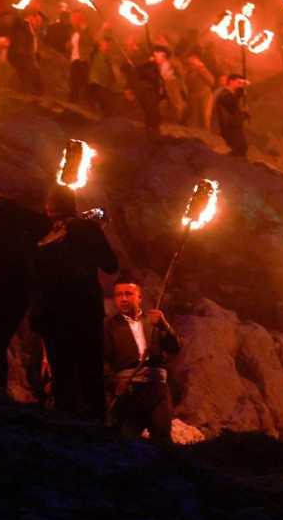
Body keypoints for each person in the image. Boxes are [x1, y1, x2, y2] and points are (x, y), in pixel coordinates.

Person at [29, 186, 118, 423]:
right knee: (91, 373)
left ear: (50, 208)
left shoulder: (41, 233)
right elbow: (111, 265)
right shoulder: (88, 229)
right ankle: (96, 427)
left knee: (62, 374)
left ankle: (65, 425)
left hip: (53, 315)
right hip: (85, 312)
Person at [0, 184, 51, 393]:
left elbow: (41, 225)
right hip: (20, 286)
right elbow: (42, 225)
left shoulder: (0, 206)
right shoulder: (2, 205)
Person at [103, 279, 181, 443]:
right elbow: (101, 361)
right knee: (127, 439)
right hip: (129, 390)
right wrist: (114, 383)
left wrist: (164, 326)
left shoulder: (154, 321)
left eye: (128, 294)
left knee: (162, 437)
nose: (124, 299)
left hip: (157, 389)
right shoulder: (108, 327)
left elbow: (174, 348)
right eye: (119, 295)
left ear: (139, 297)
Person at [127, 50, 166, 139]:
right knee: (152, 116)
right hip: (147, 92)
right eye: (162, 55)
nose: (164, 58)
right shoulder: (148, 66)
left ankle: (152, 135)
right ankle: (153, 136)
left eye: (165, 56)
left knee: (152, 116)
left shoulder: (154, 66)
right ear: (155, 54)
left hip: (150, 93)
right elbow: (147, 77)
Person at [213, 74, 249, 159]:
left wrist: (243, 115)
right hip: (229, 127)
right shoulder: (224, 93)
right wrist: (240, 91)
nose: (240, 85)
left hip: (233, 125)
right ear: (231, 81)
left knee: (242, 147)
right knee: (240, 147)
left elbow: (232, 110)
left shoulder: (230, 95)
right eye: (239, 82)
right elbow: (230, 103)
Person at [154, 46, 185, 125]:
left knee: (175, 104)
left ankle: (174, 120)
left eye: (158, 53)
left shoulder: (173, 63)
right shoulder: (158, 64)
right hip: (162, 84)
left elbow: (181, 75)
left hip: (171, 83)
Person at [182, 54, 214, 130]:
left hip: (205, 94)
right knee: (193, 115)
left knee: (205, 114)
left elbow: (211, 81)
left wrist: (200, 70)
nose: (191, 66)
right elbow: (183, 84)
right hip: (192, 95)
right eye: (190, 64)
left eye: (192, 64)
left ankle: (205, 131)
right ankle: (192, 131)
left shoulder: (202, 70)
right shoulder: (186, 72)